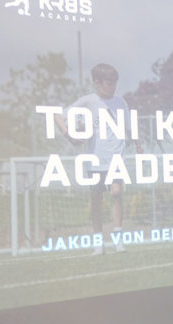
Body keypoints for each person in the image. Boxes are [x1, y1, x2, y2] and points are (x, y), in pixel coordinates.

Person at [54, 63, 142, 255]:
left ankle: (118, 240)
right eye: (108, 84)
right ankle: (98, 242)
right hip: (95, 159)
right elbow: (58, 115)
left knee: (116, 193)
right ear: (97, 83)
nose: (112, 87)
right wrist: (69, 135)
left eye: (114, 84)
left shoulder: (120, 102)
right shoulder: (88, 101)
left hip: (116, 157)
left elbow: (129, 125)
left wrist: (137, 143)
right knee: (96, 200)